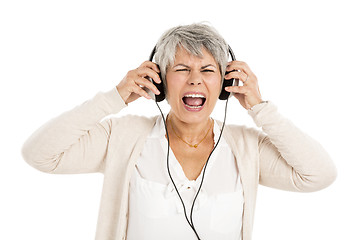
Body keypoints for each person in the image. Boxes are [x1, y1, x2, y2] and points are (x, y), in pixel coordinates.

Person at [22, 23, 337, 240]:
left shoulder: (246, 148)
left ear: (226, 85)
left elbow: (319, 175)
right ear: (159, 82)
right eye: (182, 69)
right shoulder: (124, 137)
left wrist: (260, 109)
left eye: (208, 70)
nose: (195, 80)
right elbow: (40, 155)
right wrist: (114, 98)